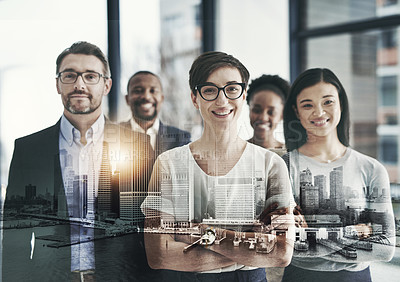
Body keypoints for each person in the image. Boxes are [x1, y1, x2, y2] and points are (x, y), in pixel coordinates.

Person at [2, 41, 157, 281]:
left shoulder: (138, 145)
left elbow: (152, 230)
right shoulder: (27, 149)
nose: (79, 84)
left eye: (90, 76)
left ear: (107, 85)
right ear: (57, 84)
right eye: (70, 75)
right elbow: (15, 240)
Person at [141, 51, 295, 281]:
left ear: (244, 95)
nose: (222, 101)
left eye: (232, 89)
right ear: (195, 98)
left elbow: (281, 253)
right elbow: (158, 255)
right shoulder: (168, 164)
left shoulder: (271, 164)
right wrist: (251, 247)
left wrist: (202, 234)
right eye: (210, 90)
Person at [282, 68, 395, 282]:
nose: (319, 112)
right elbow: (284, 244)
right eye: (308, 105)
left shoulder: (371, 168)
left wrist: (311, 242)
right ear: (296, 111)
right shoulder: (283, 166)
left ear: (341, 103)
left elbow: (385, 248)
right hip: (299, 277)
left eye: (328, 102)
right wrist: (354, 232)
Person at [122, 71, 191, 158]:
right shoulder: (111, 135)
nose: (146, 97)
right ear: (127, 99)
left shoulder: (181, 139)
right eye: (138, 91)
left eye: (153, 91)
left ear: (161, 99)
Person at [247, 74, 289, 155]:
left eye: (271, 112)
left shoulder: (290, 156)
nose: (263, 117)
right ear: (249, 110)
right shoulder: (236, 152)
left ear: (282, 115)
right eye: (256, 110)